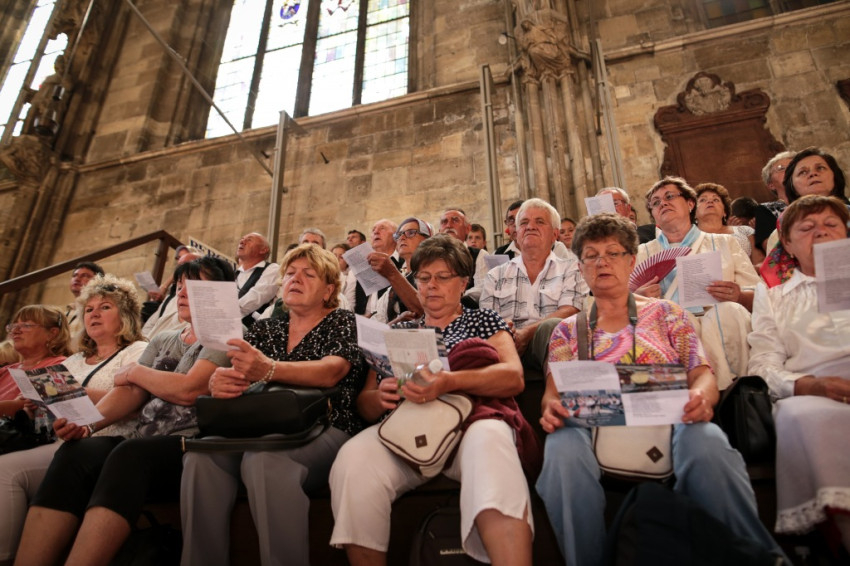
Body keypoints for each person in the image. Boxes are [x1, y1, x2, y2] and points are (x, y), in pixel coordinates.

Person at [535, 213, 786, 566]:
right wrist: (550, 408)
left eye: (613, 253)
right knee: (561, 447)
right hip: (595, 427)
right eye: (591, 255)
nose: (602, 262)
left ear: (631, 261)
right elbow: (553, 391)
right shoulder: (567, 330)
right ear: (580, 268)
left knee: (707, 441)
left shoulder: (669, 313)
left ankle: (757, 556)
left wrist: (701, 396)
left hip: (670, 420)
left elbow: (701, 373)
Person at [14, 257, 234, 566]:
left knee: (130, 454)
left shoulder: (225, 335)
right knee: (75, 452)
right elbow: (130, 392)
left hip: (191, 442)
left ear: (221, 292)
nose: (182, 292)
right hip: (145, 438)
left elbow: (189, 390)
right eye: (180, 285)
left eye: (195, 284)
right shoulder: (163, 339)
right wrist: (87, 426)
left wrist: (136, 372)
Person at [330, 235, 533, 566]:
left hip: (468, 425)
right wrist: (382, 396)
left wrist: (449, 381)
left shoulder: (482, 320)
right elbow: (365, 404)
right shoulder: (397, 331)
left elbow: (513, 376)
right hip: (406, 429)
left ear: (463, 283)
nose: (431, 286)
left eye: (443, 277)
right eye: (424, 278)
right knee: (353, 459)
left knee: (492, 440)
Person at [180, 244, 366, 566]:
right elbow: (238, 374)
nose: (296, 279)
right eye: (290, 273)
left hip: (326, 425)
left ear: (329, 290)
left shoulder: (343, 321)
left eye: (309, 274)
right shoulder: (267, 328)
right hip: (261, 426)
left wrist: (268, 369)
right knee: (201, 458)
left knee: (265, 460)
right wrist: (219, 382)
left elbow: (331, 371)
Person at [0, 276, 147, 564]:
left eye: (105, 307)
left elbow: (135, 403)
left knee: (6, 471)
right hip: (63, 440)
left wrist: (75, 392)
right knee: (7, 466)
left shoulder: (138, 351)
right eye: (89, 309)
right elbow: (49, 417)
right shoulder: (74, 361)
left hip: (113, 441)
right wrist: (35, 408)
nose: (94, 314)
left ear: (126, 315)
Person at [747, 195, 850, 554]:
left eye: (831, 224)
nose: (820, 232)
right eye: (807, 228)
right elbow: (763, 362)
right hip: (814, 388)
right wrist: (809, 385)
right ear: (788, 245)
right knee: (799, 414)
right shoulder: (774, 294)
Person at [636, 176, 760, 389]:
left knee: (729, 312)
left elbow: (758, 295)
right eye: (655, 202)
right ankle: (710, 393)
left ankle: (739, 392)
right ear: (654, 214)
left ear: (690, 204)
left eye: (669, 197)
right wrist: (639, 298)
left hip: (722, 318)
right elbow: (623, 304)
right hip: (673, 322)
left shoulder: (725, 242)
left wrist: (738, 296)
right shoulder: (642, 252)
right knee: (680, 321)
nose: (663, 203)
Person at [481, 198, 587, 371]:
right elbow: (487, 318)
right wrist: (506, 330)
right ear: (516, 234)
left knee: (551, 327)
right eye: (524, 223)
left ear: (554, 235)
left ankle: (554, 387)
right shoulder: (495, 275)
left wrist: (527, 333)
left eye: (539, 222)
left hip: (552, 342)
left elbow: (571, 310)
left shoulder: (572, 269)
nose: (530, 227)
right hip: (507, 345)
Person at [761, 147, 849, 287]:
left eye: (820, 168)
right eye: (803, 172)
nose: (813, 174)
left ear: (834, 176)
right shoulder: (779, 232)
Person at [0, 306, 71, 419]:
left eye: (26, 325)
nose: (15, 331)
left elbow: (21, 406)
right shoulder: (5, 370)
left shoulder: (59, 364)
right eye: (13, 326)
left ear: (52, 333)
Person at [371, 218, 432, 323]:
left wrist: (392, 273)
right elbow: (377, 321)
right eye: (398, 235)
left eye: (411, 233)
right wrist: (396, 322)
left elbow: (428, 312)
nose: (402, 237)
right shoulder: (395, 283)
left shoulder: (435, 276)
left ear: (427, 241)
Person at [694, 182, 762, 264]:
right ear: (694, 212)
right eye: (702, 200)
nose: (710, 201)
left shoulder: (745, 230)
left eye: (716, 200)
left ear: (725, 212)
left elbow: (760, 263)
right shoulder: (688, 237)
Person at [753, 151, 796, 254]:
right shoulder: (766, 210)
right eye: (781, 168)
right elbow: (774, 251)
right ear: (771, 184)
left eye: (793, 166)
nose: (790, 170)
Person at [235, 232, 280, 326]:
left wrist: (225, 313)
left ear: (263, 250)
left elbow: (257, 297)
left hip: (252, 329)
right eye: (242, 239)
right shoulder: (234, 275)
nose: (242, 242)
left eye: (249, 240)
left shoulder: (272, 269)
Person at [64, 262, 105, 343]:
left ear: (98, 281)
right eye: (74, 275)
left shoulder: (99, 313)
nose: (77, 279)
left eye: (85, 276)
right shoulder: (66, 313)